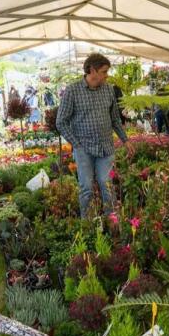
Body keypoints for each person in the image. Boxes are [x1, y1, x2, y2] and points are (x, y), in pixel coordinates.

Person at [56, 53, 128, 218]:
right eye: (104, 71)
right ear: (93, 70)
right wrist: (77, 144)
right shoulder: (73, 91)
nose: (106, 75)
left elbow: (115, 119)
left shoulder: (109, 90)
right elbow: (61, 121)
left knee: (106, 183)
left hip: (106, 147)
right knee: (86, 187)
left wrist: (126, 140)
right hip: (84, 149)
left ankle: (112, 222)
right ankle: (88, 225)